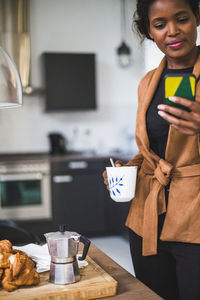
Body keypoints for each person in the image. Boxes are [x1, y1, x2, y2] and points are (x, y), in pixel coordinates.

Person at [103, 0, 200, 299]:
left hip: (194, 219)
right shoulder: (147, 83)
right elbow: (153, 150)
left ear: (196, 18)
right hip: (148, 216)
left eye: (182, 19)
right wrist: (127, 171)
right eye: (160, 24)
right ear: (149, 31)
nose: (172, 31)